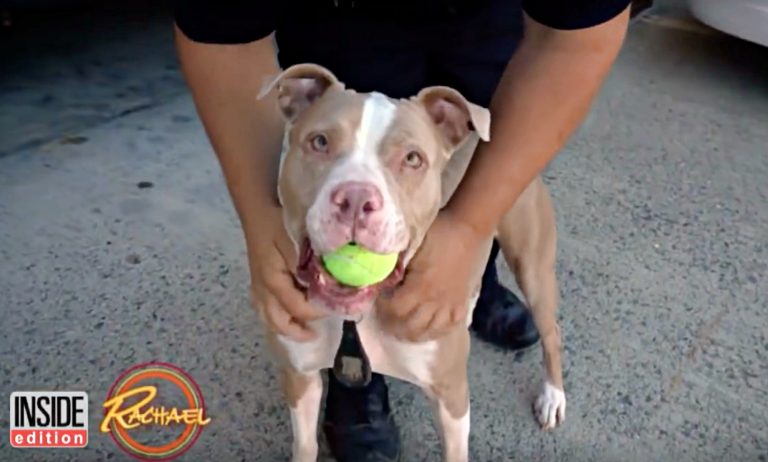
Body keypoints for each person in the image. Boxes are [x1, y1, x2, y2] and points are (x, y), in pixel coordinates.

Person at [174, 1, 631, 460]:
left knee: (526, 277)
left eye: (410, 159)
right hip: (341, 20)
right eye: (321, 142)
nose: (357, 196)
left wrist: (469, 229)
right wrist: (258, 219)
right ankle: (352, 384)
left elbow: (578, 39)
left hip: (485, 25)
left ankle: (507, 318)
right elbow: (220, 36)